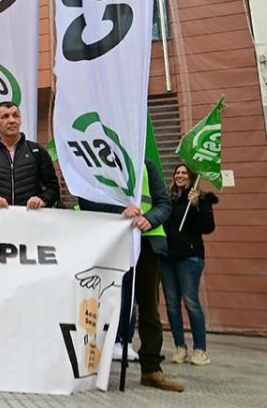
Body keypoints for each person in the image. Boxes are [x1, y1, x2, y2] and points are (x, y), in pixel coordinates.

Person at [79, 159, 184, 392]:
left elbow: (163, 203)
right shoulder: (98, 164)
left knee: (149, 309)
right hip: (113, 244)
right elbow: (86, 200)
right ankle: (93, 367)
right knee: (106, 305)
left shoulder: (146, 164)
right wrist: (120, 212)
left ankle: (152, 370)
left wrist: (150, 218)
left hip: (147, 244)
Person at [162, 164, 218, 366]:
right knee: (171, 304)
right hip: (168, 258)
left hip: (190, 258)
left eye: (184, 173)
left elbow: (208, 227)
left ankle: (200, 350)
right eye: (177, 172)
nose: (179, 175)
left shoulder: (200, 198)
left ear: (191, 176)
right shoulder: (169, 199)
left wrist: (196, 206)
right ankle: (179, 348)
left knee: (191, 301)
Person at [0, 101, 59, 209]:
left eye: (15, 116)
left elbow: (53, 188)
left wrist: (42, 200)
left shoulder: (37, 150)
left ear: (20, 120)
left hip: (30, 219)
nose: (12, 120)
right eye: (5, 117)